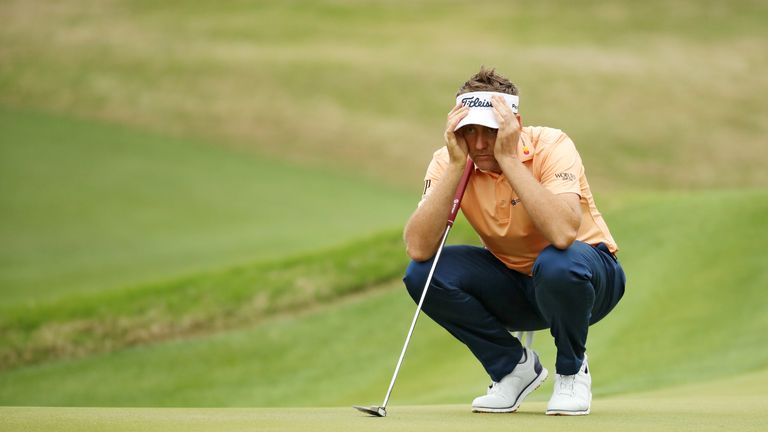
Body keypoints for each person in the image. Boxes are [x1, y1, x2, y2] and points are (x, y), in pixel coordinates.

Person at [402, 66, 626, 416]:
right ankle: (512, 368)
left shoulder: (553, 145)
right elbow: (418, 248)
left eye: (489, 131)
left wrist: (509, 160)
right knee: (422, 273)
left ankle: (571, 371)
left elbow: (563, 234)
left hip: (590, 279)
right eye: (468, 130)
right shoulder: (451, 161)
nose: (478, 143)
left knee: (557, 261)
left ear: (513, 125)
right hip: (519, 285)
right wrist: (456, 169)